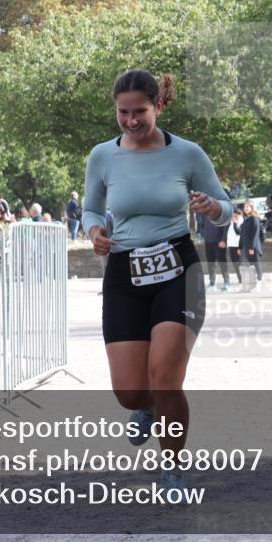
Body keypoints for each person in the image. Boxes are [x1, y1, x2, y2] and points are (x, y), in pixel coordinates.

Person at [83, 68, 232, 492]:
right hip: (124, 272)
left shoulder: (187, 154)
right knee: (130, 393)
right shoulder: (102, 156)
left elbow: (226, 204)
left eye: (140, 112)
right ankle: (144, 407)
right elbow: (92, 209)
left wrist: (211, 207)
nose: (131, 121)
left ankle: (171, 469)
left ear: (159, 106)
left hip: (177, 270)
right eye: (123, 113)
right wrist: (95, 232)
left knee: (166, 378)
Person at [197, 210, 230, 291]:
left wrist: (223, 240)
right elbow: (201, 225)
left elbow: (225, 227)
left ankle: (226, 282)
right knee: (210, 264)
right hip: (208, 241)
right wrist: (202, 235)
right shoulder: (203, 213)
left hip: (219, 241)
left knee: (222, 262)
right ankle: (212, 283)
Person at [239, 200, 263, 290]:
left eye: (248, 207)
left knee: (256, 264)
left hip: (254, 247)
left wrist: (252, 247)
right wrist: (240, 246)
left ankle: (259, 283)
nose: (246, 208)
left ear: (252, 208)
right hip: (246, 247)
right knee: (249, 266)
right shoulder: (246, 220)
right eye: (245, 207)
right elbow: (242, 234)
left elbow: (255, 234)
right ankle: (251, 284)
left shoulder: (254, 219)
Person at [226, 208, 243, 283]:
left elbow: (238, 232)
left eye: (236, 215)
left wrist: (235, 223)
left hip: (238, 246)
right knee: (235, 263)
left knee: (240, 263)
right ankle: (240, 279)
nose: (234, 217)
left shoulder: (242, 222)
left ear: (240, 215)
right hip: (231, 246)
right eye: (233, 215)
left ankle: (243, 279)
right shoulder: (231, 223)